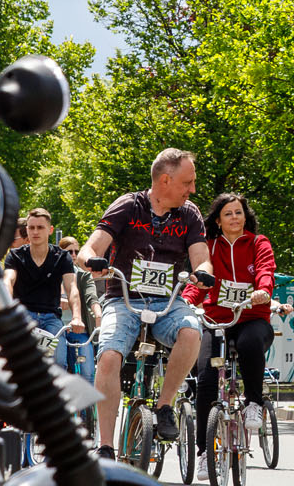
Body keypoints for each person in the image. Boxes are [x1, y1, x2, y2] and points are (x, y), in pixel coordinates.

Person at [79, 149, 215, 458]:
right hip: (123, 299)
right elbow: (89, 247)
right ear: (165, 180)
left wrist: (203, 273)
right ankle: (106, 447)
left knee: (192, 331)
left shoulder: (189, 214)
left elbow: (201, 258)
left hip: (167, 303)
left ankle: (164, 405)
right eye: (187, 182)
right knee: (110, 356)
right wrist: (92, 261)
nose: (192, 190)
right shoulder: (129, 206)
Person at [182, 193, 278, 479]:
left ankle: (253, 404)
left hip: (252, 319)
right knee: (207, 379)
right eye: (228, 213)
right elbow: (200, 282)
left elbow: (265, 271)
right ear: (218, 220)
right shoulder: (209, 247)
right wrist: (186, 300)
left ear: (245, 216)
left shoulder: (259, 243)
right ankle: (203, 452)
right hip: (216, 320)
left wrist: (262, 290)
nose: (235, 217)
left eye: (239, 212)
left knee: (249, 344)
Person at [3, 207, 83, 369]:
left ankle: (53, 393)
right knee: (18, 361)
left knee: (59, 362)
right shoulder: (15, 255)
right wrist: (7, 309)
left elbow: (72, 287)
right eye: (31, 228)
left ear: (50, 230)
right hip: (24, 315)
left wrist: (76, 317)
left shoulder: (62, 257)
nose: (35, 232)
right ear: (26, 230)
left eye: (40, 227)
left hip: (51, 318)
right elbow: (8, 281)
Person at [57, 235, 102, 387]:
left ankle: (86, 411)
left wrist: (98, 314)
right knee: (58, 367)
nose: (74, 255)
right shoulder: (50, 273)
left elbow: (92, 297)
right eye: (70, 252)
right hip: (56, 329)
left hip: (78, 330)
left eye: (76, 251)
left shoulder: (83, 275)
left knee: (87, 373)